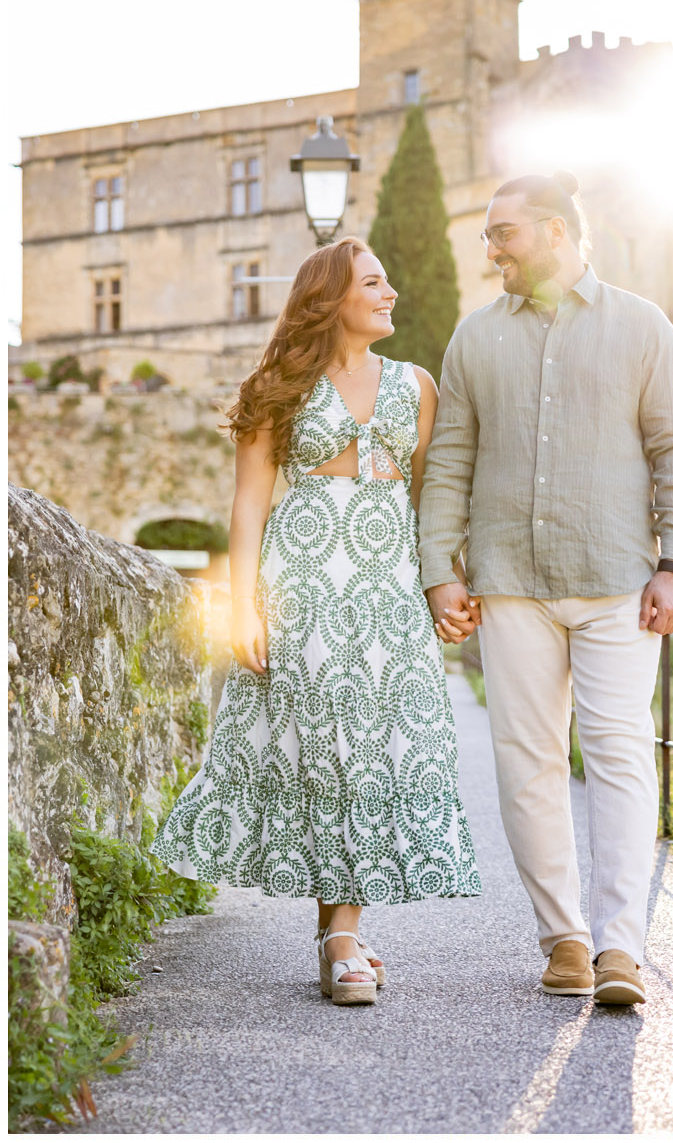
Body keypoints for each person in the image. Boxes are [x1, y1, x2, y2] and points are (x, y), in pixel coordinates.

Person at [152, 238, 482, 1006]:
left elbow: (431, 500)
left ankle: (341, 930)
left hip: (386, 596)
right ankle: (341, 936)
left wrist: (445, 583)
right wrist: (241, 604)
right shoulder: (278, 386)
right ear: (330, 297)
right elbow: (248, 504)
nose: (391, 292)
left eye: (388, 280)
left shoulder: (417, 384)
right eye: (374, 281)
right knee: (327, 754)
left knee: (376, 752)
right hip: (303, 591)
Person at [419, 171, 673, 1005]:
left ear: (554, 230)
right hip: (509, 583)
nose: (491, 249)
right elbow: (450, 462)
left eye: (502, 232)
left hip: (620, 579)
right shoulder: (474, 338)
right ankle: (566, 940)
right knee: (528, 762)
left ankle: (622, 947)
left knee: (620, 754)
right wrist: (439, 569)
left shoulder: (643, 326)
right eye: (488, 234)